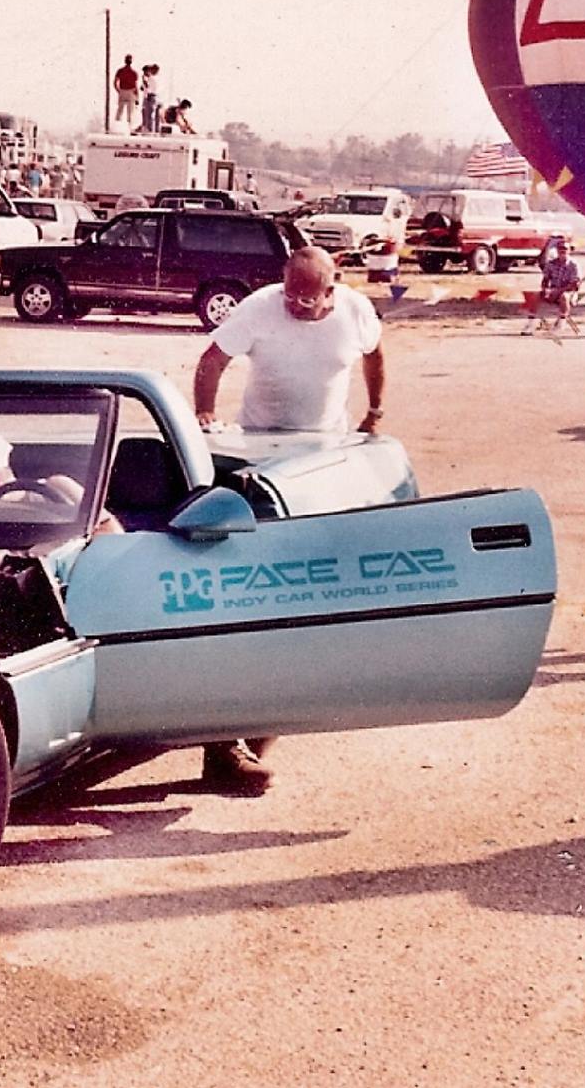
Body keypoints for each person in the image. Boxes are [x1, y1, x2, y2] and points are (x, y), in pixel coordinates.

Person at [191, 247, 386, 790]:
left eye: (306, 298)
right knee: (258, 596)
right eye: (288, 294)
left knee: (306, 603)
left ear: (333, 288)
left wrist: (376, 411)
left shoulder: (355, 311)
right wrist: (205, 414)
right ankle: (227, 743)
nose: (294, 305)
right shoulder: (259, 307)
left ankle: (246, 743)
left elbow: (373, 355)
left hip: (324, 458)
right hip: (258, 457)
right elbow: (212, 360)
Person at [525, 237, 583, 333]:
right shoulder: (551, 264)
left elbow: (574, 284)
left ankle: (561, 323)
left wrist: (558, 291)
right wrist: (545, 289)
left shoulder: (574, 265)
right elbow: (545, 279)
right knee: (535, 295)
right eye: (560, 248)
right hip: (553, 290)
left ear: (569, 251)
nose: (562, 250)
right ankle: (531, 323)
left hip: (569, 292)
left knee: (564, 297)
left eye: (565, 248)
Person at [113, 55, 139, 127]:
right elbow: (135, 86)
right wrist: (137, 97)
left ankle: (116, 126)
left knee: (120, 110)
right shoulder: (134, 72)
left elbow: (115, 82)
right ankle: (129, 127)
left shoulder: (120, 71)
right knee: (130, 112)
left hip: (122, 91)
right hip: (131, 92)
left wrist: (118, 90)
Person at [139, 64, 160, 133]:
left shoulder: (151, 78)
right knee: (145, 113)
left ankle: (149, 129)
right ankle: (146, 127)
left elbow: (148, 87)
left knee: (149, 114)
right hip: (147, 97)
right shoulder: (149, 79)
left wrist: (144, 80)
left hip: (150, 97)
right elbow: (143, 88)